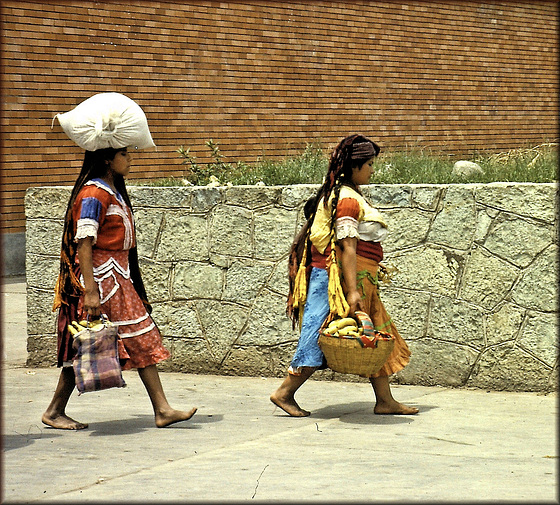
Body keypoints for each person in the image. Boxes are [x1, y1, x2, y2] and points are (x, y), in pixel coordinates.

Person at [42, 147, 197, 429]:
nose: (130, 159)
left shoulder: (112, 191)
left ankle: (162, 409)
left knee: (139, 340)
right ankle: (54, 411)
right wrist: (90, 291)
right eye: (123, 154)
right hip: (100, 280)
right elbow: (84, 243)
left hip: (118, 279)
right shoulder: (93, 194)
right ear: (106, 160)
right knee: (88, 344)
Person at [270, 133, 419, 417]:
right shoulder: (347, 199)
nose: (373, 170)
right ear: (354, 166)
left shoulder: (346, 194)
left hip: (356, 279)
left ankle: (385, 400)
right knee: (319, 336)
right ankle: (284, 392)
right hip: (336, 282)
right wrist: (352, 291)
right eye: (370, 164)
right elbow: (348, 247)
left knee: (373, 333)